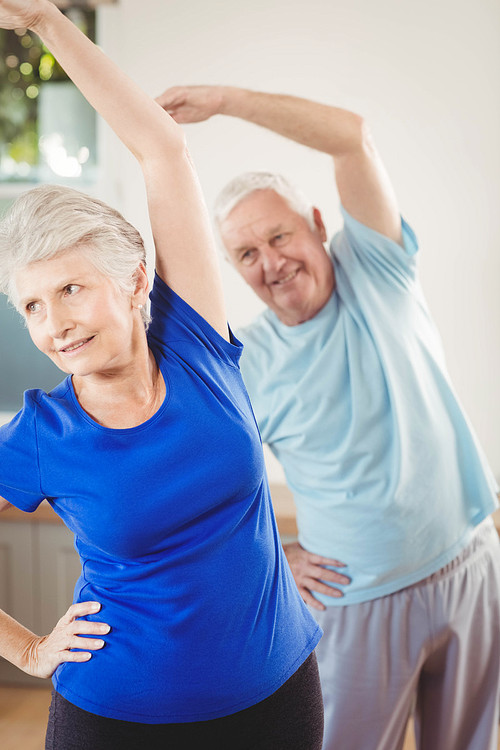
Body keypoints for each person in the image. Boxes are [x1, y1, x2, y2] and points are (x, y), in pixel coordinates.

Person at [0, 5, 324, 749]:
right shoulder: (41, 433)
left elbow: (162, 151)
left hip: (274, 699)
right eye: (32, 306)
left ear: (136, 280)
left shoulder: (197, 345)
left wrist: (49, 21)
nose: (56, 324)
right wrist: (25, 650)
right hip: (116, 717)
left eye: (73, 289)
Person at [156, 83, 500, 750]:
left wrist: (225, 101)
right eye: (247, 255)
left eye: (279, 235)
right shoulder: (245, 365)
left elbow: (351, 135)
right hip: (360, 602)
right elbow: (193, 496)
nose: (272, 263)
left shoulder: (377, 266)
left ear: (317, 221)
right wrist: (277, 558)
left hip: (472, 562)